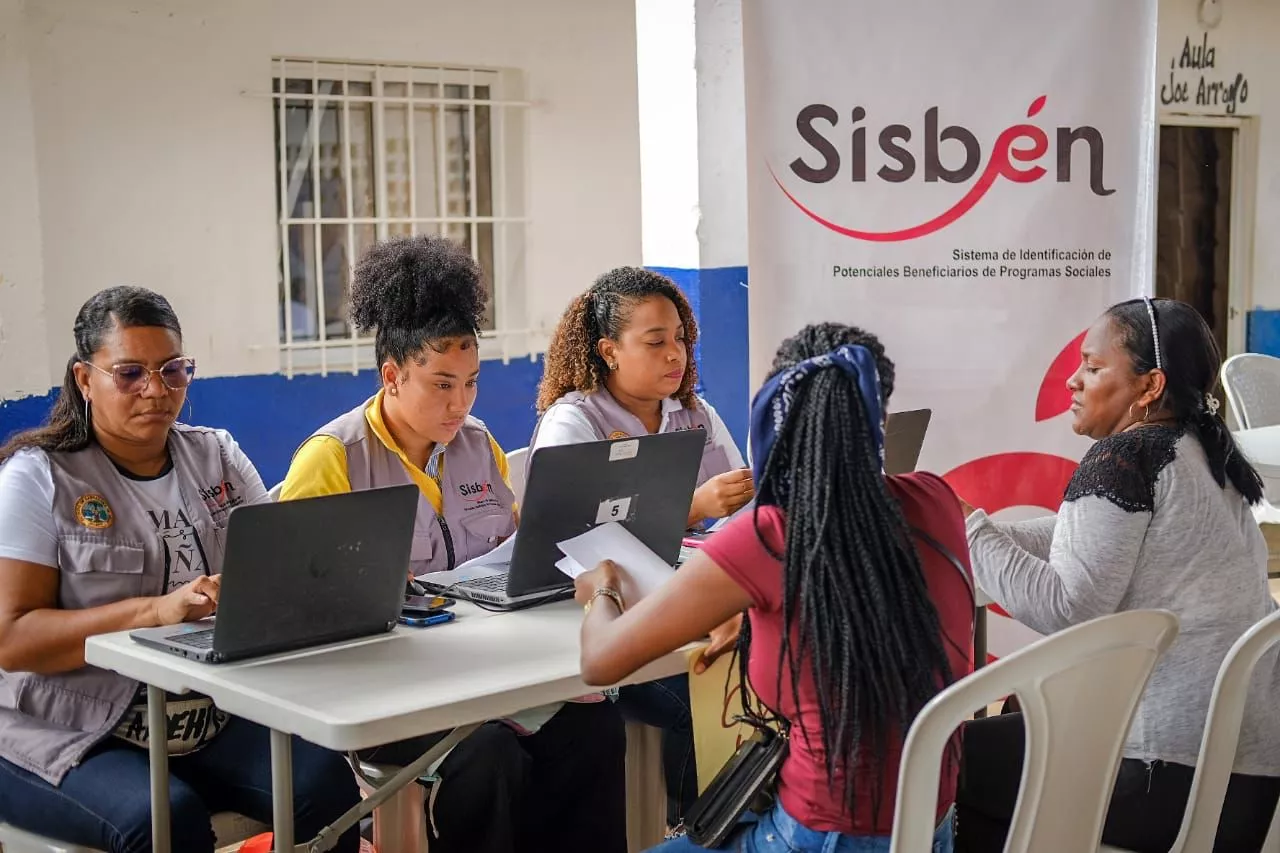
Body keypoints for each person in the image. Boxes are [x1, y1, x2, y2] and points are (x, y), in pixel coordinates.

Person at [280, 234, 627, 853]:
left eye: (470, 382)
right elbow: (300, 612)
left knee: (595, 727)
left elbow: (515, 547)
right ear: (392, 375)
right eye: (442, 384)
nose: (460, 402)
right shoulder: (333, 461)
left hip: (486, 670)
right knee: (487, 757)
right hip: (388, 690)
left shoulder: (478, 444)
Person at [572, 322, 974, 853]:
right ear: (881, 414)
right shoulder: (935, 499)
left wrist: (602, 587)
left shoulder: (771, 533)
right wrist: (754, 609)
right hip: (931, 827)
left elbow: (600, 662)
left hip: (824, 834)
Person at [0, 286, 361, 853]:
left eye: (173, 371)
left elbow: (281, 575)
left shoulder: (217, 457)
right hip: (67, 731)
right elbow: (12, 638)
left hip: (202, 721)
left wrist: (350, 579)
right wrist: (154, 611)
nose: (156, 390)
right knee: (165, 820)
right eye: (129, 373)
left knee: (326, 786)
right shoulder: (39, 478)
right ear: (84, 379)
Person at [956, 297, 1280, 853]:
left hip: (1162, 778)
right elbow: (1079, 534)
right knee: (999, 736)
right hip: (1241, 777)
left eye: (1093, 366)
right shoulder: (1202, 451)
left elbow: (1068, 610)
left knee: (943, 761)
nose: (1073, 383)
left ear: (1150, 385)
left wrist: (964, 529)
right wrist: (974, 529)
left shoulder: (1126, 458)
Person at [533, 266, 755, 831]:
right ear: (608, 350)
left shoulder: (695, 414)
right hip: (600, 617)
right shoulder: (575, 422)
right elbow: (571, 535)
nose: (674, 354)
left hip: (690, 603)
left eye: (680, 338)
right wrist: (697, 505)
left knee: (760, 665)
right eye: (655, 342)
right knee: (708, 697)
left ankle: (748, 823)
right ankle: (702, 832)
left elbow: (746, 507)